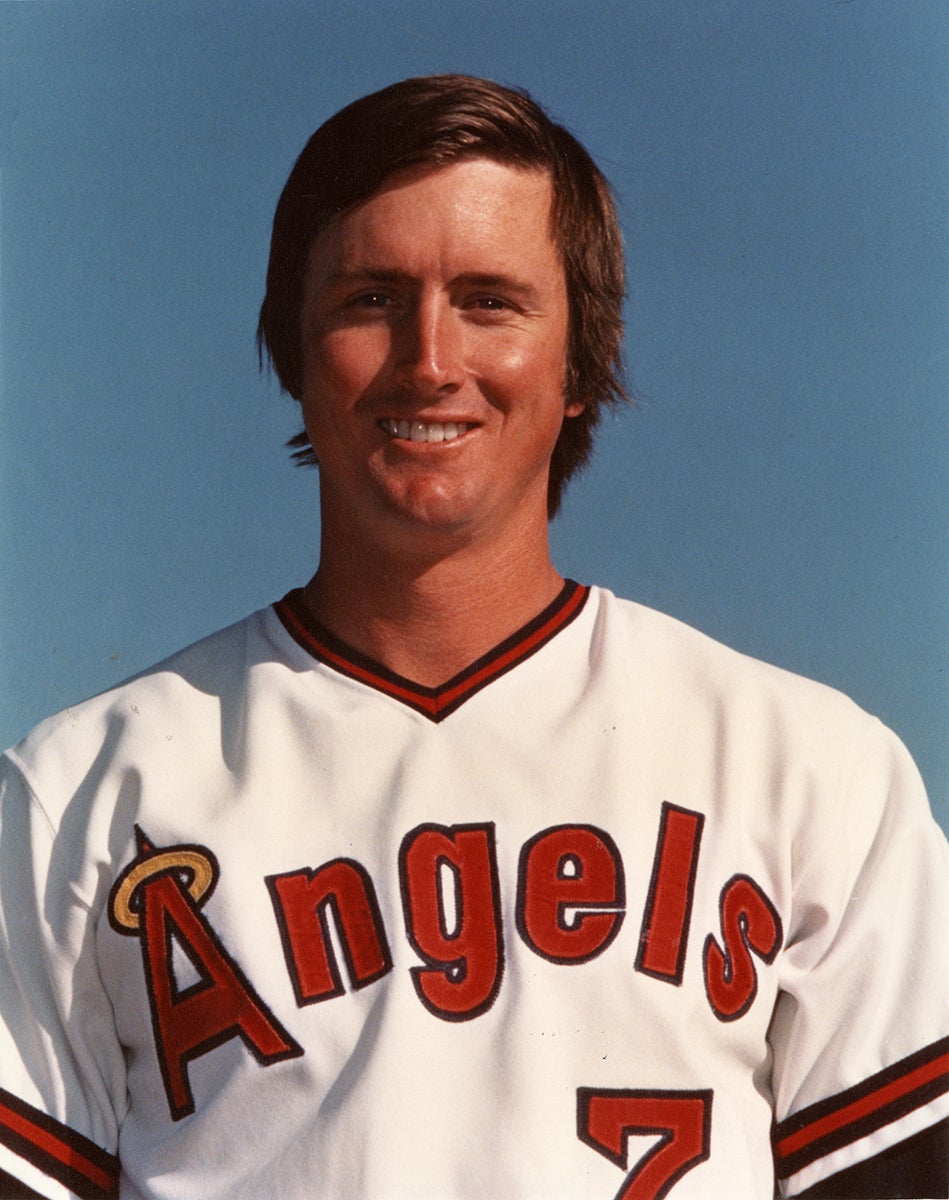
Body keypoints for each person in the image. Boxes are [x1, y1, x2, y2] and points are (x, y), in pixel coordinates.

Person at [0, 74, 945, 1200]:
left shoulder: (810, 769)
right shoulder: (80, 791)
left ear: (583, 361)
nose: (430, 360)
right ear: (294, 352)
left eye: (490, 301)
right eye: (369, 299)